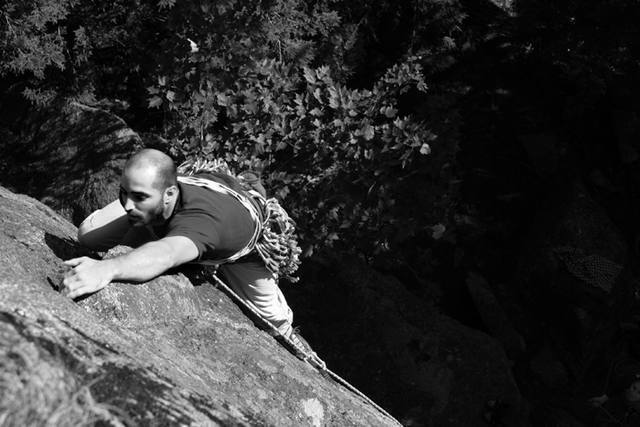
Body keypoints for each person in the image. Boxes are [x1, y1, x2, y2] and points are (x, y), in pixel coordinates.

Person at [63, 148, 298, 341]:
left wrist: (107, 269)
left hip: (246, 240)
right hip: (200, 187)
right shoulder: (158, 196)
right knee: (88, 235)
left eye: (139, 196)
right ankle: (147, 208)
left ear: (169, 194)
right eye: (125, 193)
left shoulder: (201, 224)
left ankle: (293, 337)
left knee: (273, 322)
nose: (128, 205)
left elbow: (166, 253)